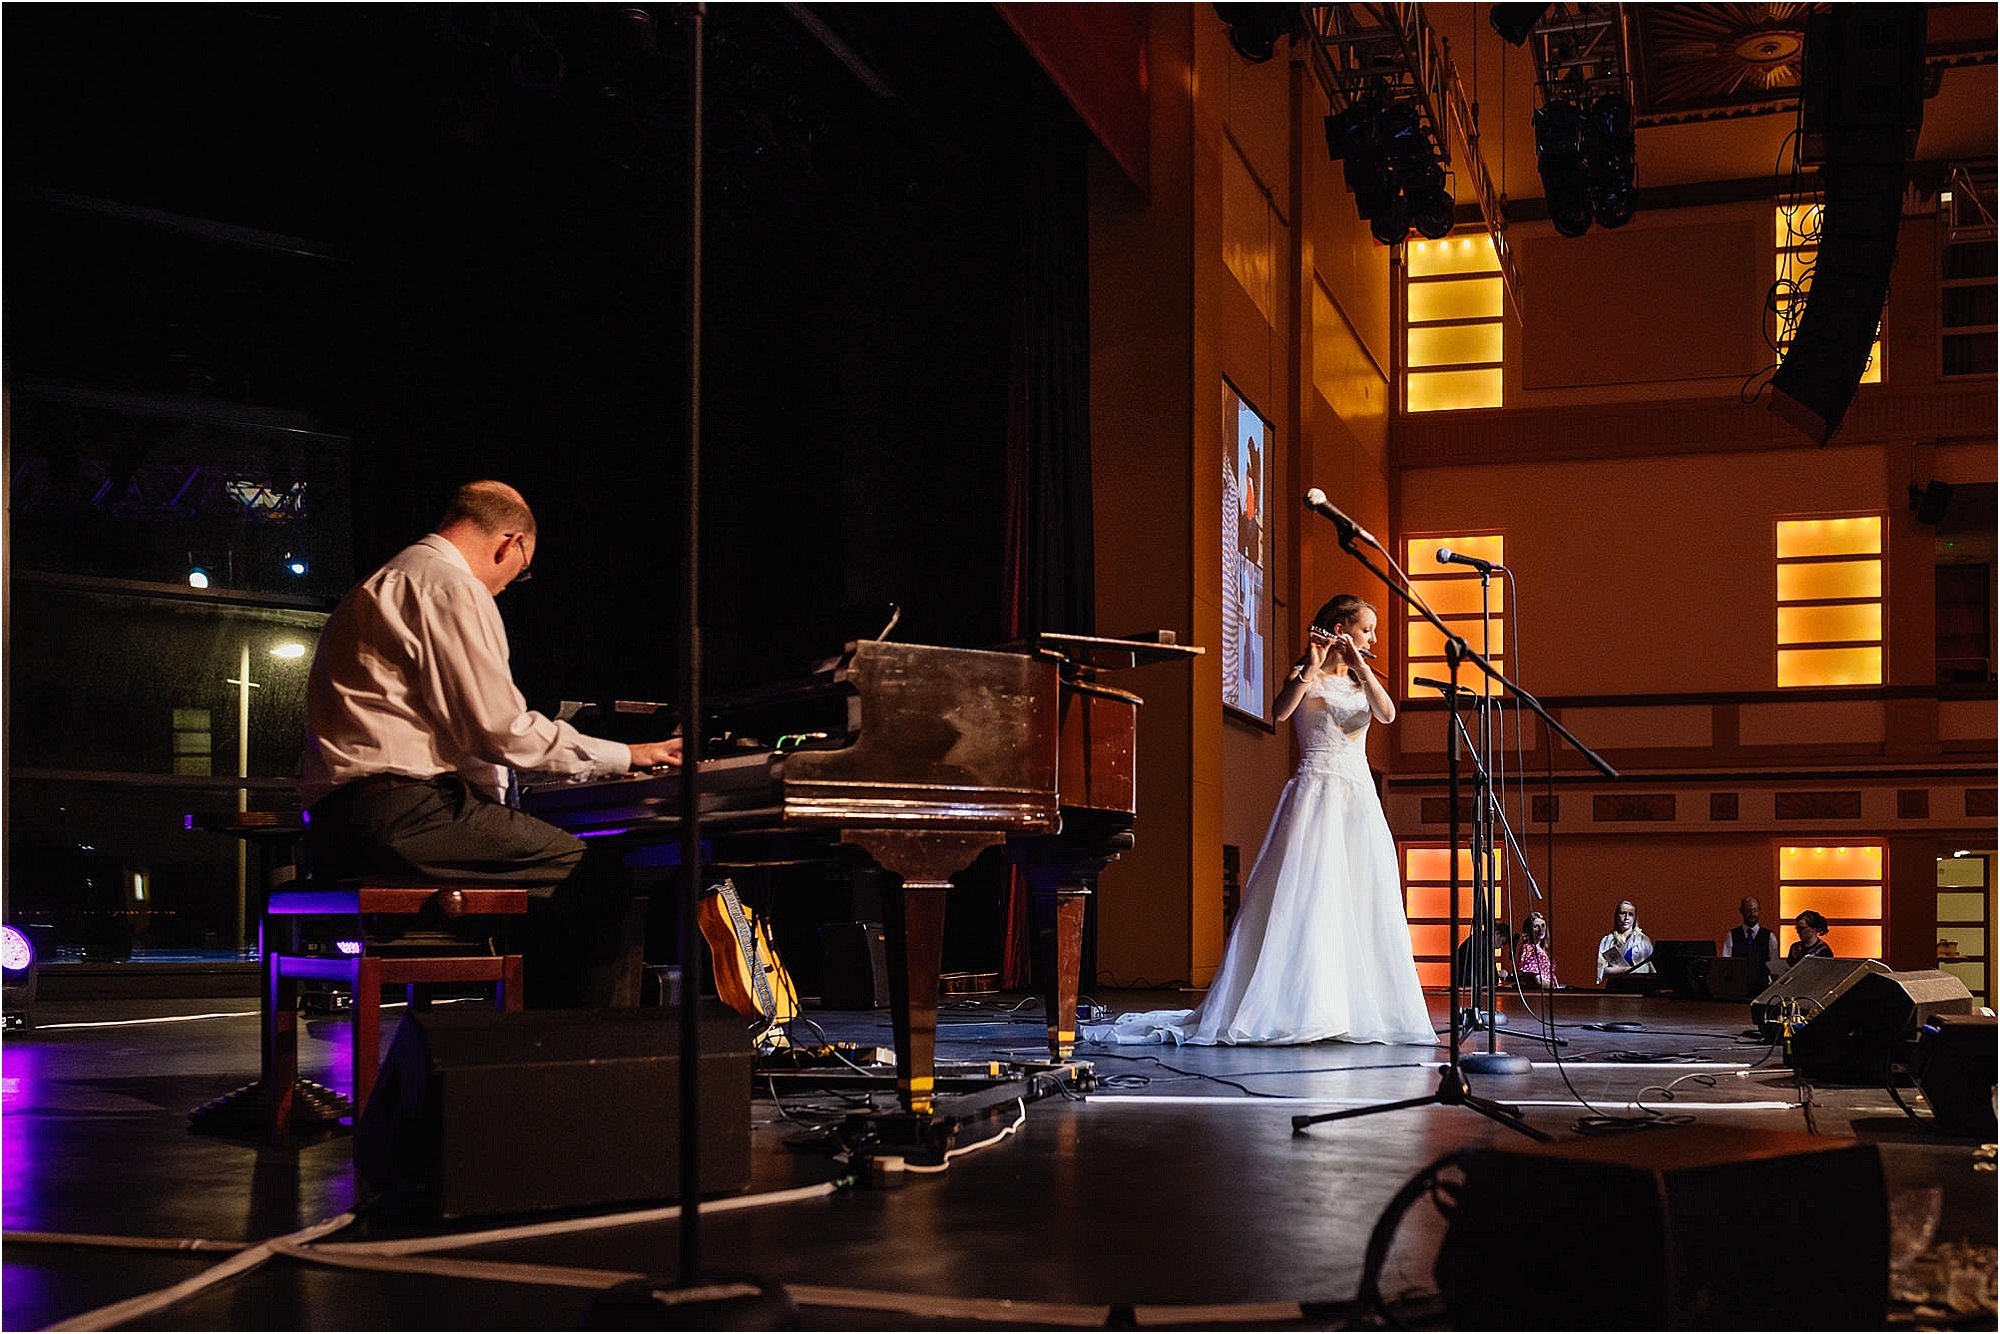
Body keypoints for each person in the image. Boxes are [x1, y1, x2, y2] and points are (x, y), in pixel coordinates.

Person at [299, 480, 683, 1006]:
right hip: (402, 815)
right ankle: (572, 1058)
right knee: (597, 876)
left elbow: (466, 737)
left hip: (342, 821)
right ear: (510, 544)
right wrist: (627, 756)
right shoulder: (450, 586)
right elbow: (498, 731)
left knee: (547, 878)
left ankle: (519, 1035)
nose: (508, 584)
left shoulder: (385, 580)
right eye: (520, 572)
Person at [1084, 595, 1435, 1046]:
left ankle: (1355, 1008)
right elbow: (1280, 711)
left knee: (1360, 897)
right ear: (1341, 626)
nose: (1373, 638)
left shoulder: (1363, 681)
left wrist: (1359, 666)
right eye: (1366, 629)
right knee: (1308, 896)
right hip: (1315, 792)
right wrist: (1314, 663)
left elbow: (1386, 713)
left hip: (1357, 797)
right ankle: (1299, 1007)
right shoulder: (1303, 673)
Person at [1721, 895, 1781, 994]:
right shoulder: (1731, 935)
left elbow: (1774, 963)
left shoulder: (1769, 936)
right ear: (1741, 911)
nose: (1752, 914)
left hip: (1762, 987)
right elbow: (1726, 963)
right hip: (1738, 988)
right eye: (1749, 911)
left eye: (1755, 910)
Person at [1596, 899, 1656, 985]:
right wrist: (1628, 970)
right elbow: (1603, 971)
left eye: (1630, 914)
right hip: (1616, 987)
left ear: (1635, 918)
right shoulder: (1607, 941)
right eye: (1622, 913)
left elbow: (1650, 969)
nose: (1626, 918)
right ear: (1616, 916)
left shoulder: (1643, 940)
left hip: (1639, 986)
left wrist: (1622, 971)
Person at [1514, 911, 1560, 989]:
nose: (1541, 929)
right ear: (1529, 930)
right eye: (1536, 926)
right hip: (1539, 994)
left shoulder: (1542, 949)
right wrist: (1553, 987)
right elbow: (1537, 980)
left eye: (1543, 925)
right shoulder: (1529, 949)